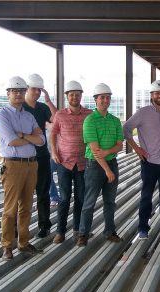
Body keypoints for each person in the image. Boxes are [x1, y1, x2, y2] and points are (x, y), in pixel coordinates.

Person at [123, 80, 160, 240]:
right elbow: (126, 128)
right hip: (149, 161)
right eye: (157, 93)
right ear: (151, 95)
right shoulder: (143, 113)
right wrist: (137, 149)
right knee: (146, 195)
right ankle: (143, 228)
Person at [0, 76, 45, 260]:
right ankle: (7, 246)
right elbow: (11, 140)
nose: (18, 94)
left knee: (26, 207)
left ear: (25, 93)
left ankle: (23, 243)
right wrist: (29, 136)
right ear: (8, 94)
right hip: (13, 166)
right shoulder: (2, 115)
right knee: (10, 210)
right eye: (14, 91)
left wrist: (23, 134)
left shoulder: (28, 115)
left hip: (32, 165)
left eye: (21, 91)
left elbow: (41, 141)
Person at [77, 83, 124, 246]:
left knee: (110, 201)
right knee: (89, 201)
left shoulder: (115, 120)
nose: (105, 100)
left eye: (108, 97)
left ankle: (110, 231)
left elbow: (120, 146)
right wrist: (108, 170)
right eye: (102, 97)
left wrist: (107, 151)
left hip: (112, 163)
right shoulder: (89, 120)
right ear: (95, 100)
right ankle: (83, 233)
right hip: (95, 167)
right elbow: (95, 150)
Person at [51, 81, 92, 244]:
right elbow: (53, 134)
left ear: (81, 96)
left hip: (83, 163)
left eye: (77, 94)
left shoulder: (89, 114)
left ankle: (77, 229)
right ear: (67, 96)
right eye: (71, 94)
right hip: (64, 163)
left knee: (81, 198)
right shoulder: (60, 115)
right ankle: (60, 231)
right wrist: (54, 152)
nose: (74, 97)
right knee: (64, 198)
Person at [23, 73, 57, 238]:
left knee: (43, 192)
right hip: (23, 158)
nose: (36, 92)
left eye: (39, 89)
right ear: (27, 89)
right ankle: (20, 229)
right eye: (34, 89)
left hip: (42, 156)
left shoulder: (42, 108)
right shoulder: (20, 107)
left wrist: (49, 101)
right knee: (23, 195)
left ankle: (44, 225)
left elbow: (58, 120)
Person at [46, 122, 60, 206]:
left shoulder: (52, 126)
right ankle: (54, 196)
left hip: (58, 154)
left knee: (61, 176)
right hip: (48, 155)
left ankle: (56, 196)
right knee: (48, 177)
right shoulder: (37, 128)